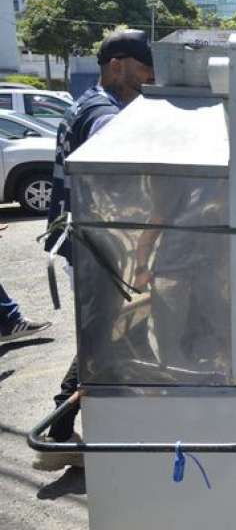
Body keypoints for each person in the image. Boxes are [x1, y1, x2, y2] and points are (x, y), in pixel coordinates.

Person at [35, 29, 154, 471]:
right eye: (144, 69)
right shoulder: (104, 112)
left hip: (98, 244)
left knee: (108, 337)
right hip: (98, 247)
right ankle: (58, 436)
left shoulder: (92, 104)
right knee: (104, 341)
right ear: (116, 65)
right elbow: (121, 158)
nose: (149, 79)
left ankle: (68, 431)